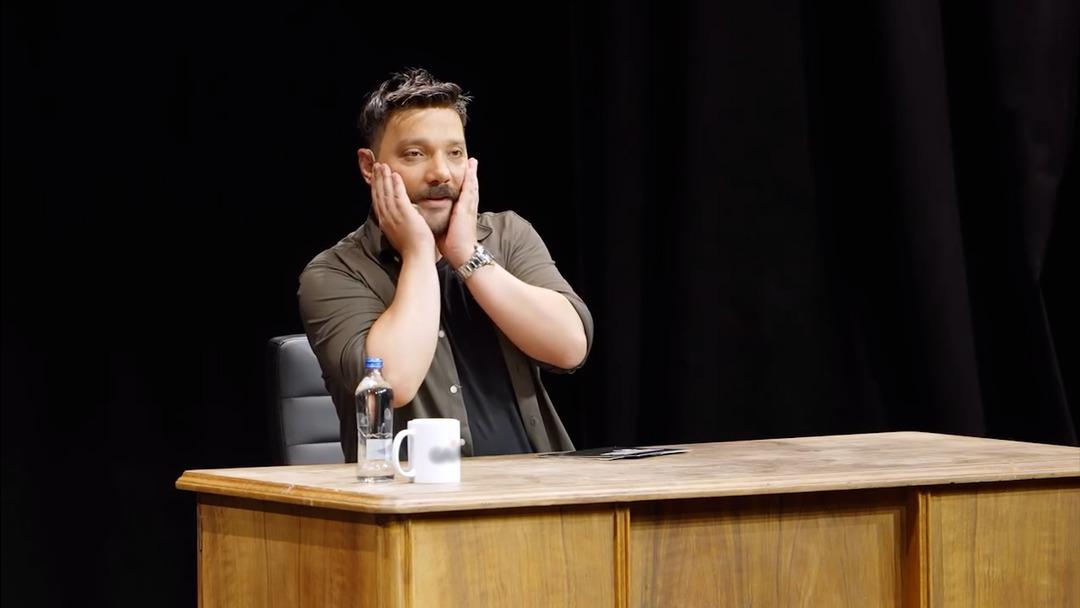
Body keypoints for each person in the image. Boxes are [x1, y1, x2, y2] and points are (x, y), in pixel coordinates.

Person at [298, 68, 593, 461]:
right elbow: (392, 383)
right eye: (415, 154)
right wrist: (419, 252)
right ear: (370, 167)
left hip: (537, 485)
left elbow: (569, 347)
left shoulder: (507, 235)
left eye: (454, 153)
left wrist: (467, 254)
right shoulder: (335, 272)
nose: (441, 173)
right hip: (414, 494)